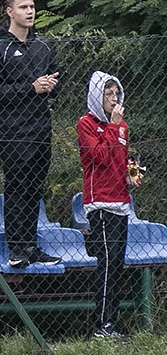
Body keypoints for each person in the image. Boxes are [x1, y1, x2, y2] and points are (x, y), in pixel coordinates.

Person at [0, 0, 62, 268]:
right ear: (9, 12)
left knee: (35, 188)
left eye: (31, 6)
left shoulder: (43, 46)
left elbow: (57, 82)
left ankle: (31, 245)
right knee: (17, 187)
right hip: (14, 131)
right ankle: (16, 248)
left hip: (42, 128)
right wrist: (31, 88)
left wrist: (50, 85)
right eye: (23, 7)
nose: (30, 12)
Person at [78, 72, 140, 340]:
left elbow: (121, 157)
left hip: (121, 201)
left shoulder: (123, 126)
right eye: (108, 94)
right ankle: (101, 326)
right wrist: (113, 127)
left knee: (117, 262)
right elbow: (99, 157)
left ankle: (111, 322)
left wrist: (131, 173)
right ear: (96, 96)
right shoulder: (86, 124)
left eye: (117, 94)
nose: (114, 99)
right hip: (100, 202)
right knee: (106, 261)